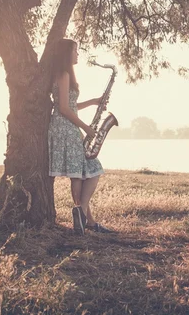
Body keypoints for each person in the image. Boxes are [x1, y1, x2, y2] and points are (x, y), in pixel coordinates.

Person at [48, 38, 113, 234]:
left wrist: (94, 102)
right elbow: (65, 108)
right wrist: (86, 127)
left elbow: (69, 104)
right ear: (67, 53)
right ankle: (81, 214)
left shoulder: (62, 73)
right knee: (88, 170)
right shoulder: (64, 73)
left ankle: (87, 220)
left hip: (65, 127)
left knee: (82, 171)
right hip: (66, 128)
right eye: (75, 51)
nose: (77, 54)